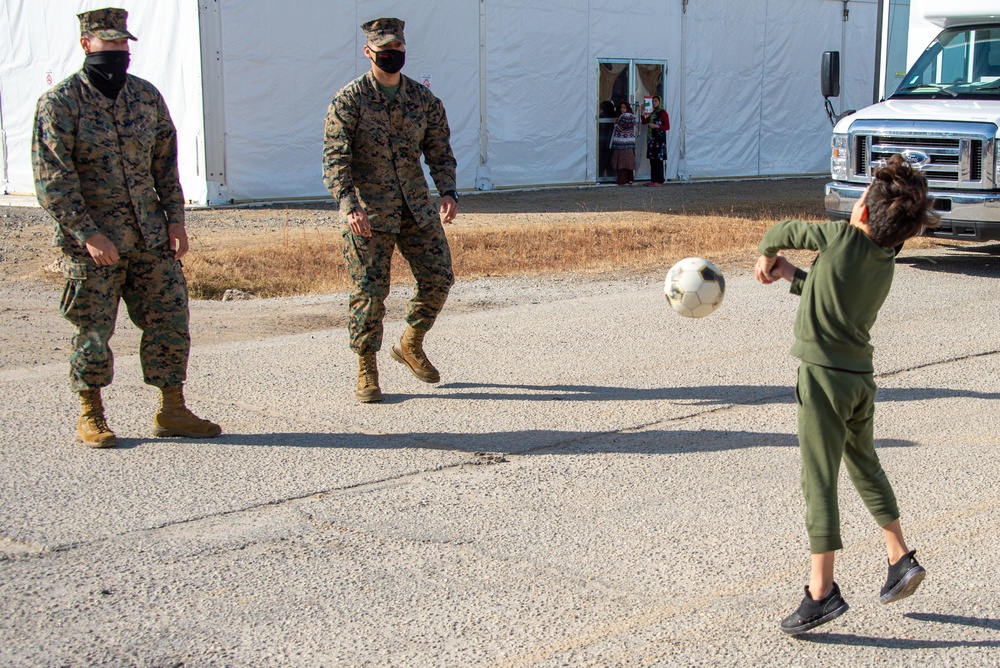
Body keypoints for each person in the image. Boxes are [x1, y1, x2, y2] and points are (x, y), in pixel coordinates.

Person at [754, 154, 938, 634]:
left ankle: (822, 592)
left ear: (861, 212)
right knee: (863, 462)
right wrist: (791, 274)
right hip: (858, 379)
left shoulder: (839, 238)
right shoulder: (886, 257)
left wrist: (766, 255)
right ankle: (899, 556)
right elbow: (832, 292)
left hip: (823, 380)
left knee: (819, 481)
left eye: (860, 198)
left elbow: (780, 228)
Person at [32, 8, 221, 448]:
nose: (118, 52)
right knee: (94, 330)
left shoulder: (145, 97)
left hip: (151, 237)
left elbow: (165, 164)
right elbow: (52, 180)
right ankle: (91, 414)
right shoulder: (60, 103)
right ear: (86, 45)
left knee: (170, 321)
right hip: (95, 244)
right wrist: (88, 233)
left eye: (122, 44)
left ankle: (172, 408)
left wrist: (176, 219)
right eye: (108, 43)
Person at [323, 17, 458, 403]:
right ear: (368, 52)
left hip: (415, 206)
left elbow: (439, 150)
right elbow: (335, 158)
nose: (391, 56)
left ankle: (410, 342)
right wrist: (348, 204)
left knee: (439, 278)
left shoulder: (423, 100)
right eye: (383, 52)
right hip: (368, 212)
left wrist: (447, 191)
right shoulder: (349, 100)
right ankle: (367, 368)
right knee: (369, 292)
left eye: (397, 51)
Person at [641, 95, 669, 186]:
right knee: (652, 159)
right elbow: (645, 121)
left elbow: (667, 126)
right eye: (653, 101)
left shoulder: (663, 113)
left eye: (656, 101)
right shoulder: (653, 113)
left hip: (659, 140)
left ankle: (659, 181)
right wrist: (642, 111)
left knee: (658, 160)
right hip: (652, 139)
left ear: (660, 102)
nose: (654, 103)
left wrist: (656, 126)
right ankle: (653, 180)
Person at [609, 100, 637, 186]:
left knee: (621, 163)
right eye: (621, 107)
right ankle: (630, 179)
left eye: (624, 107)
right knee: (629, 162)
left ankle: (622, 180)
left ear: (627, 108)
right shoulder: (632, 117)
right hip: (629, 143)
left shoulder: (624, 117)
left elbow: (619, 128)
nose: (622, 109)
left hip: (621, 143)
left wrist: (615, 122)